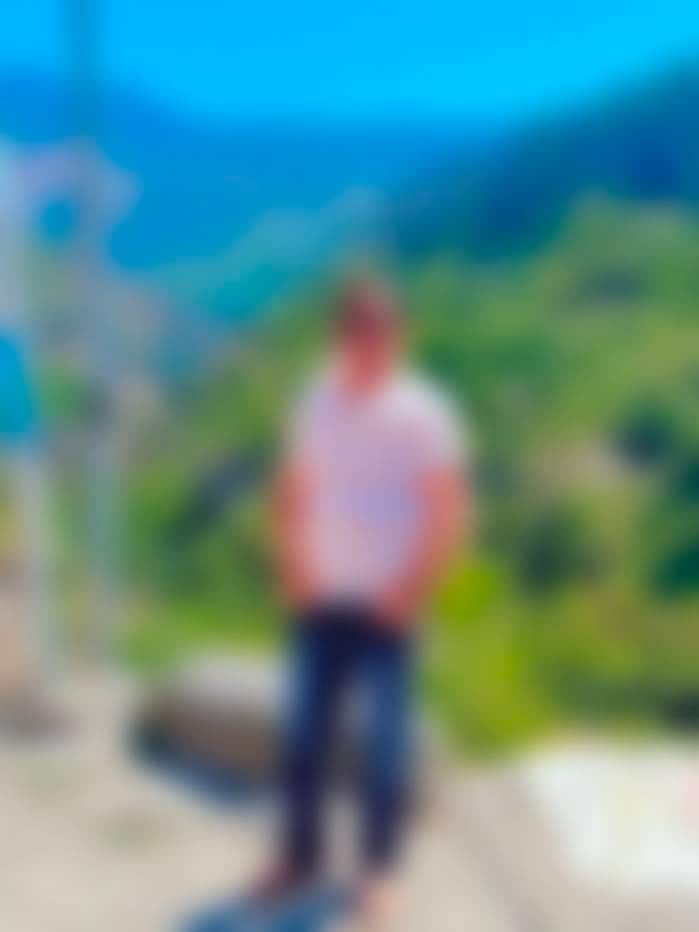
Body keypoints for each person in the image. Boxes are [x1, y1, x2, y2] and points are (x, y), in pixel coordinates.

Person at [254, 278, 469, 927]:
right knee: (303, 734)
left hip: (386, 607)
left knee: (384, 746)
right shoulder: (313, 400)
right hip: (320, 598)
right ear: (339, 338)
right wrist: (291, 565)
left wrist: (412, 588)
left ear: (399, 338)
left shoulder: (424, 414)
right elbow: (293, 485)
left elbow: (447, 509)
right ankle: (299, 858)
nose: (371, 345)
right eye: (359, 333)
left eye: (383, 332)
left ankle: (378, 873)